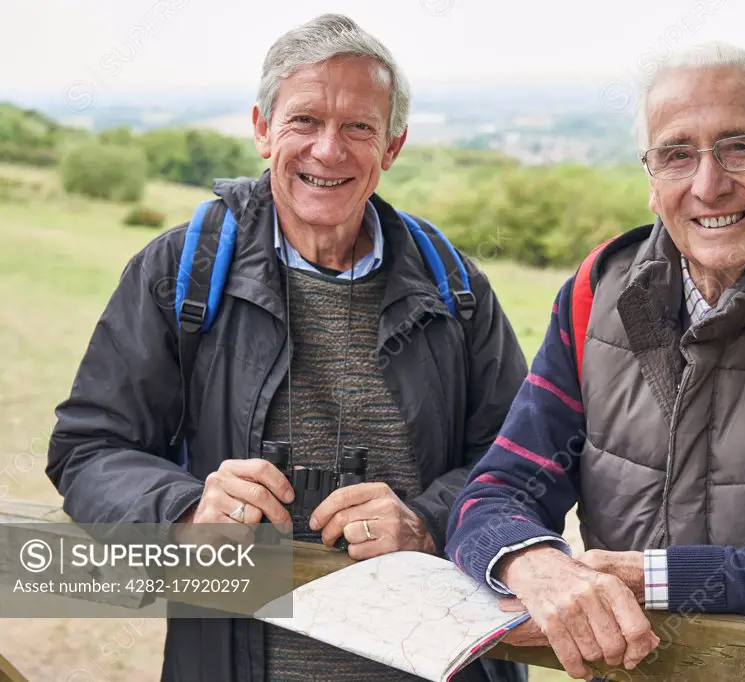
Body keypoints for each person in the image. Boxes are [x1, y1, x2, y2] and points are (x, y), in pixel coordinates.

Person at [46, 14, 528, 682]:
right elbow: (88, 448)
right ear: (262, 129)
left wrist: (425, 522)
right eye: (304, 121)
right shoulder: (177, 271)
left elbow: (522, 466)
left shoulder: (455, 288)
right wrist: (185, 510)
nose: (328, 151)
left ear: (392, 145)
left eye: (359, 127)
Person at [446, 42, 745, 680]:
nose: (709, 185)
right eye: (677, 155)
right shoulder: (598, 293)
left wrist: (658, 577)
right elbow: (497, 491)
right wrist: (532, 562)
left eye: (740, 147)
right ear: (651, 179)